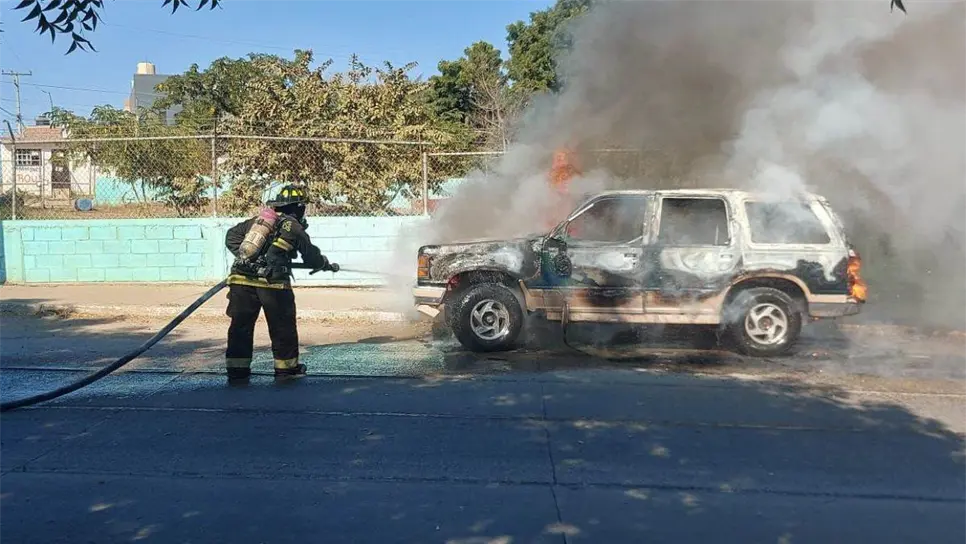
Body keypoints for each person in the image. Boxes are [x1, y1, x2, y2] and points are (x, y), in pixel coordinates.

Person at [222, 184, 331, 383]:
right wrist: (323, 264)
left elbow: (231, 236)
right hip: (273, 285)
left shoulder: (258, 221)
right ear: (298, 208)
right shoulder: (293, 226)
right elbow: (311, 254)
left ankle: (237, 371)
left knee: (241, 326)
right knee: (282, 327)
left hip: (240, 280)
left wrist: (247, 257)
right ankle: (286, 370)